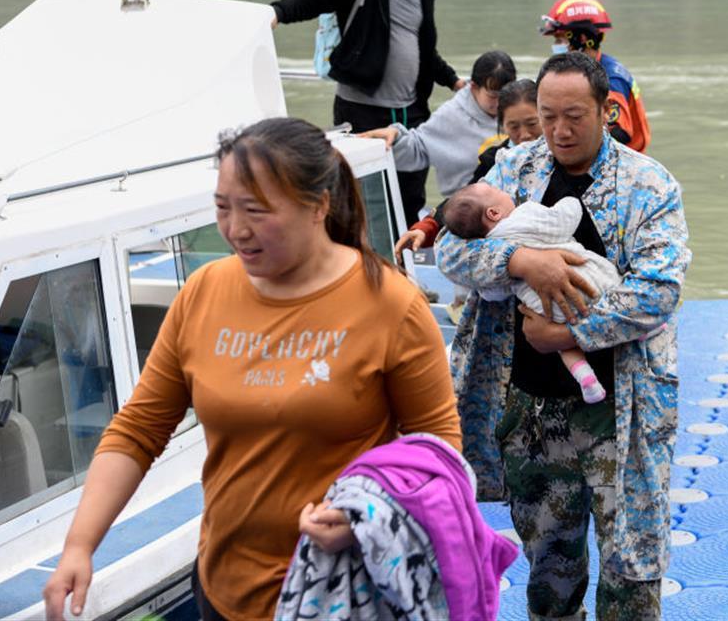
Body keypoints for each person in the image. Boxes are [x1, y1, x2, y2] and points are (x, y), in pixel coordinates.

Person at [42, 118, 461, 621]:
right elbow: (138, 431)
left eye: (257, 212)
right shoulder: (204, 292)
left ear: (318, 205)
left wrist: (366, 519)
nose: (236, 230)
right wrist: (79, 545)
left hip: (344, 591)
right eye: (223, 208)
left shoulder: (391, 305)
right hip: (225, 588)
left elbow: (440, 454)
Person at [435, 52, 690, 620]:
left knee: (631, 572)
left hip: (623, 411)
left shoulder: (648, 186)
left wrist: (567, 331)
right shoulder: (514, 168)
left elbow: (660, 289)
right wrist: (523, 259)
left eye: (574, 116)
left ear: (609, 109)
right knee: (549, 573)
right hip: (531, 413)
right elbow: (452, 248)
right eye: (547, 116)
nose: (558, 130)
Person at [269, 0, 465, 226]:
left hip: (410, 112)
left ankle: (401, 267)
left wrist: (453, 81)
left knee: (410, 197)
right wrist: (275, 13)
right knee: (361, 198)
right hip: (361, 109)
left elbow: (425, 50)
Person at [442, 182, 617, 404]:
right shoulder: (524, 215)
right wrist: (571, 203)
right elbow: (560, 222)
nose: (505, 191)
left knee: (565, 346)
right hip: (586, 282)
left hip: (545, 308)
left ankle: (585, 377)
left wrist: (511, 268)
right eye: (499, 192)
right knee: (611, 282)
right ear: (494, 212)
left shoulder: (488, 243)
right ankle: (641, 331)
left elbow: (492, 294)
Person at [392, 78, 540, 264]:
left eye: (532, 123)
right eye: (514, 126)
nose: (524, 134)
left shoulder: (562, 155)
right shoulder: (494, 161)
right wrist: (425, 228)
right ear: (502, 125)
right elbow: (467, 199)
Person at [360, 50, 516, 202]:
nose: (500, 102)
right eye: (493, 96)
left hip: (511, 201)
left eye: (506, 95)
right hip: (466, 206)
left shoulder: (517, 108)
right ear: (474, 87)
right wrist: (395, 136)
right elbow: (418, 147)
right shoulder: (451, 116)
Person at [539, 0, 652, 153]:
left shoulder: (612, 78)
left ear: (582, 38)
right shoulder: (584, 72)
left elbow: (619, 132)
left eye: (560, 40)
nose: (556, 46)